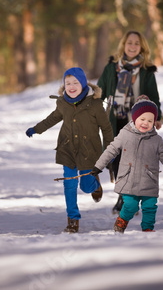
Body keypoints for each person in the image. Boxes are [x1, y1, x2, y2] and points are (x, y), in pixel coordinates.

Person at [26, 67, 114, 233]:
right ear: (64, 85)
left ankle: (95, 185)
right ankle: (73, 219)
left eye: (75, 83)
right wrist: (36, 129)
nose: (71, 86)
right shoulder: (62, 103)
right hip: (68, 149)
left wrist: (109, 150)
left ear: (83, 84)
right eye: (68, 83)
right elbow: (51, 119)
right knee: (69, 185)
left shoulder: (94, 105)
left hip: (89, 151)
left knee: (86, 187)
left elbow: (107, 128)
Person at [90, 96, 163, 232]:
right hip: (129, 180)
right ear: (134, 119)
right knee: (131, 205)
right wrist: (98, 167)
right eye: (142, 119)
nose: (145, 123)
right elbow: (111, 150)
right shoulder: (125, 134)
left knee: (150, 206)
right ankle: (122, 220)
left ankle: (148, 229)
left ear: (154, 122)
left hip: (149, 180)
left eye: (150, 120)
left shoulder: (156, 140)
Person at [97, 30, 163, 214]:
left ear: (141, 46)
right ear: (123, 45)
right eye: (129, 43)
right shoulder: (111, 68)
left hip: (137, 121)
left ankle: (126, 199)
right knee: (116, 159)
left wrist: (157, 116)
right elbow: (100, 90)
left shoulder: (146, 70)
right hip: (115, 120)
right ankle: (124, 196)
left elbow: (154, 95)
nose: (132, 46)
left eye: (136, 43)